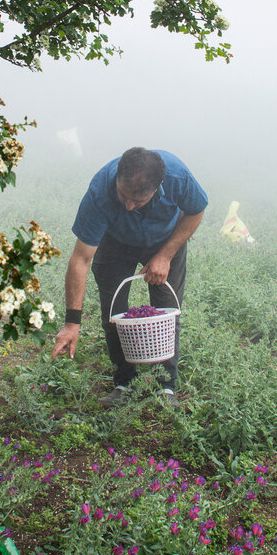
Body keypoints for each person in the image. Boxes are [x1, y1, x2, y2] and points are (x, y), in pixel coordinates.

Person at [51, 147, 208, 408]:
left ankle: (166, 387)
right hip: (115, 241)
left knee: (167, 310)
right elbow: (80, 259)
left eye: (138, 201)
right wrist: (71, 323)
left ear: (158, 187)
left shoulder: (177, 176)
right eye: (123, 196)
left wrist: (165, 256)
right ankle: (124, 382)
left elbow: (196, 211)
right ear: (117, 180)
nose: (128, 205)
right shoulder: (100, 191)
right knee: (114, 311)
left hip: (165, 240)